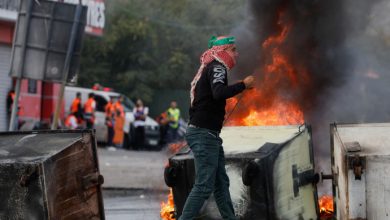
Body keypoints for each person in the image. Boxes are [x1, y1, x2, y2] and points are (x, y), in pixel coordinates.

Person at [179, 35, 255, 220]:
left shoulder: (210, 68)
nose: (236, 54)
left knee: (221, 183)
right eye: (233, 50)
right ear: (223, 51)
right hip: (204, 134)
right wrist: (243, 85)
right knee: (204, 186)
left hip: (207, 134)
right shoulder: (217, 67)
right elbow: (219, 93)